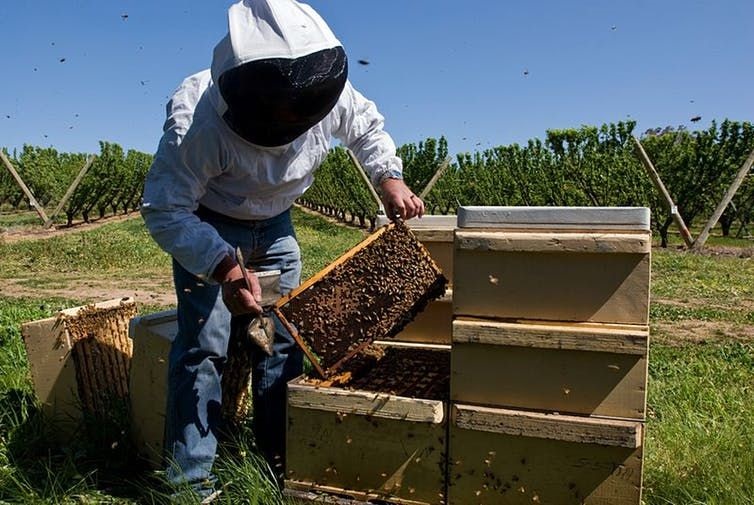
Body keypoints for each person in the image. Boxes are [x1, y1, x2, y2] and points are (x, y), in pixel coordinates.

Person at [140, 0, 423, 498]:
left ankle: (278, 464)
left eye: (302, 111)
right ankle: (191, 484)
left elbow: (367, 128)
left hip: (276, 228)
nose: (292, 119)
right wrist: (223, 266)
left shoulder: (320, 90)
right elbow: (166, 209)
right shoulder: (196, 121)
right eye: (280, 113)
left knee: (282, 341)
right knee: (204, 348)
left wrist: (390, 177)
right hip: (209, 223)